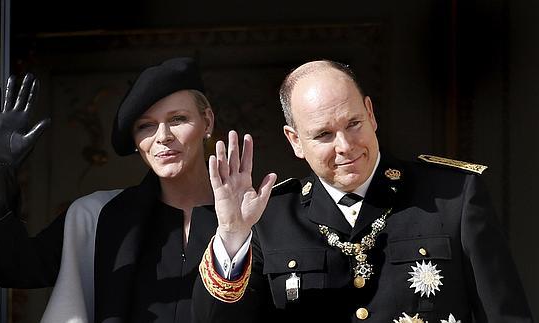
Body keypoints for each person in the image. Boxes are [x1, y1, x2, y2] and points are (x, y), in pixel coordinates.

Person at [192, 60, 534, 322]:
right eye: (323, 135)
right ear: (295, 141)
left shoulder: (453, 196)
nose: (345, 146)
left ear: (370, 114)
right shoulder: (269, 218)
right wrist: (233, 235)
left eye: (353, 124)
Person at [0, 57, 244, 322]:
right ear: (136, 140)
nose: (163, 136)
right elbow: (15, 269)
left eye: (177, 119)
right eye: (146, 126)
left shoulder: (256, 216)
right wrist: (0, 171)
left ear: (207, 122)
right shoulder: (97, 216)